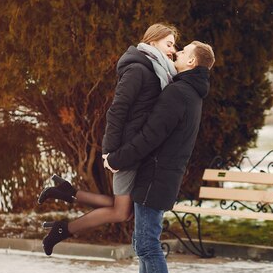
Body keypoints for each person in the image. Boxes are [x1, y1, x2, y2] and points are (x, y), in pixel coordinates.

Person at [38, 23, 178, 256]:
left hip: (137, 150)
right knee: (121, 212)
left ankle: (68, 192)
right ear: (153, 42)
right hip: (126, 151)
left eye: (175, 46)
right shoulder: (139, 70)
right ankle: (63, 229)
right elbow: (117, 110)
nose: (173, 50)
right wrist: (110, 152)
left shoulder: (156, 71)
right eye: (169, 44)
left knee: (126, 209)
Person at [104, 40, 215, 273]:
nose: (177, 53)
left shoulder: (178, 93)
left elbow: (150, 136)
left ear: (192, 62)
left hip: (157, 176)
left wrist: (117, 159)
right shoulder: (189, 92)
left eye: (184, 51)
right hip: (159, 175)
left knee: (148, 243)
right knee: (142, 241)